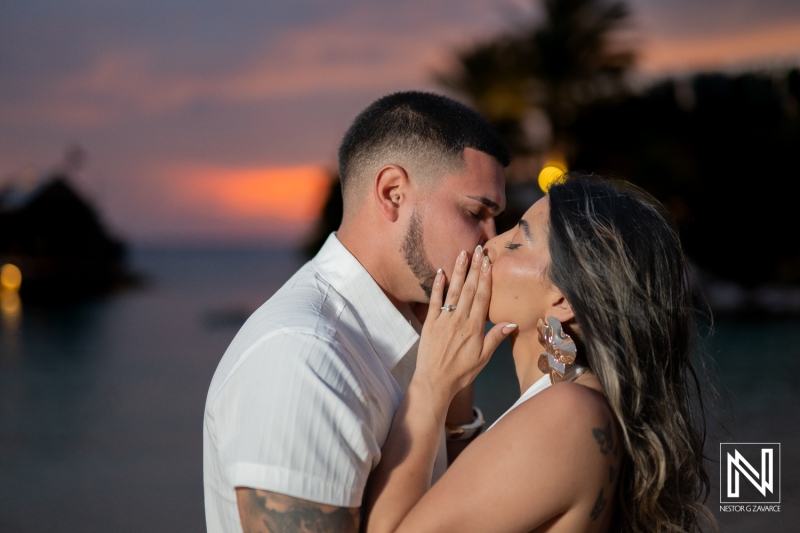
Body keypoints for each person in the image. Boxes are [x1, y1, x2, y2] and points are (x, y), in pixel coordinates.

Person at [203, 91, 512, 532]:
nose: (491, 239)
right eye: (475, 211)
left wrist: (454, 396)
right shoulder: (303, 357)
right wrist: (431, 389)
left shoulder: (418, 335)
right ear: (393, 193)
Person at [364, 174, 716, 532]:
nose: (488, 244)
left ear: (564, 300)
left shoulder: (569, 413)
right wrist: (457, 387)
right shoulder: (575, 401)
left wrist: (430, 384)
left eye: (516, 242)